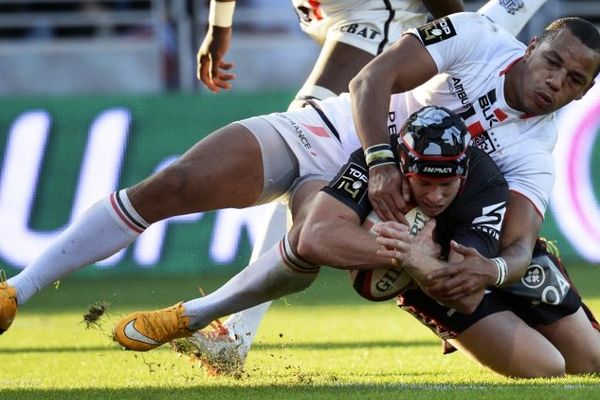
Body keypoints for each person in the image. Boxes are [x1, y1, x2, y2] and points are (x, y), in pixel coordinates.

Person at [1, 11, 598, 369]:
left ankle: (197, 317)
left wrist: (493, 271)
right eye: (553, 63)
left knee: (310, 244)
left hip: (372, 198)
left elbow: (520, 241)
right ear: (531, 47)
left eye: (575, 81)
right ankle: (17, 290)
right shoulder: (478, 37)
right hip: (338, 132)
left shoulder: (534, 154)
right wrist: (382, 156)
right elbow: (373, 78)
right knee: (174, 182)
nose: (556, 83)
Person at [193, 0, 550, 371]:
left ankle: (236, 333)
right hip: (366, 34)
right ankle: (238, 331)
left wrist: (457, 34)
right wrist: (220, 26)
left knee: (302, 142)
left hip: (384, 31)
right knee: (311, 198)